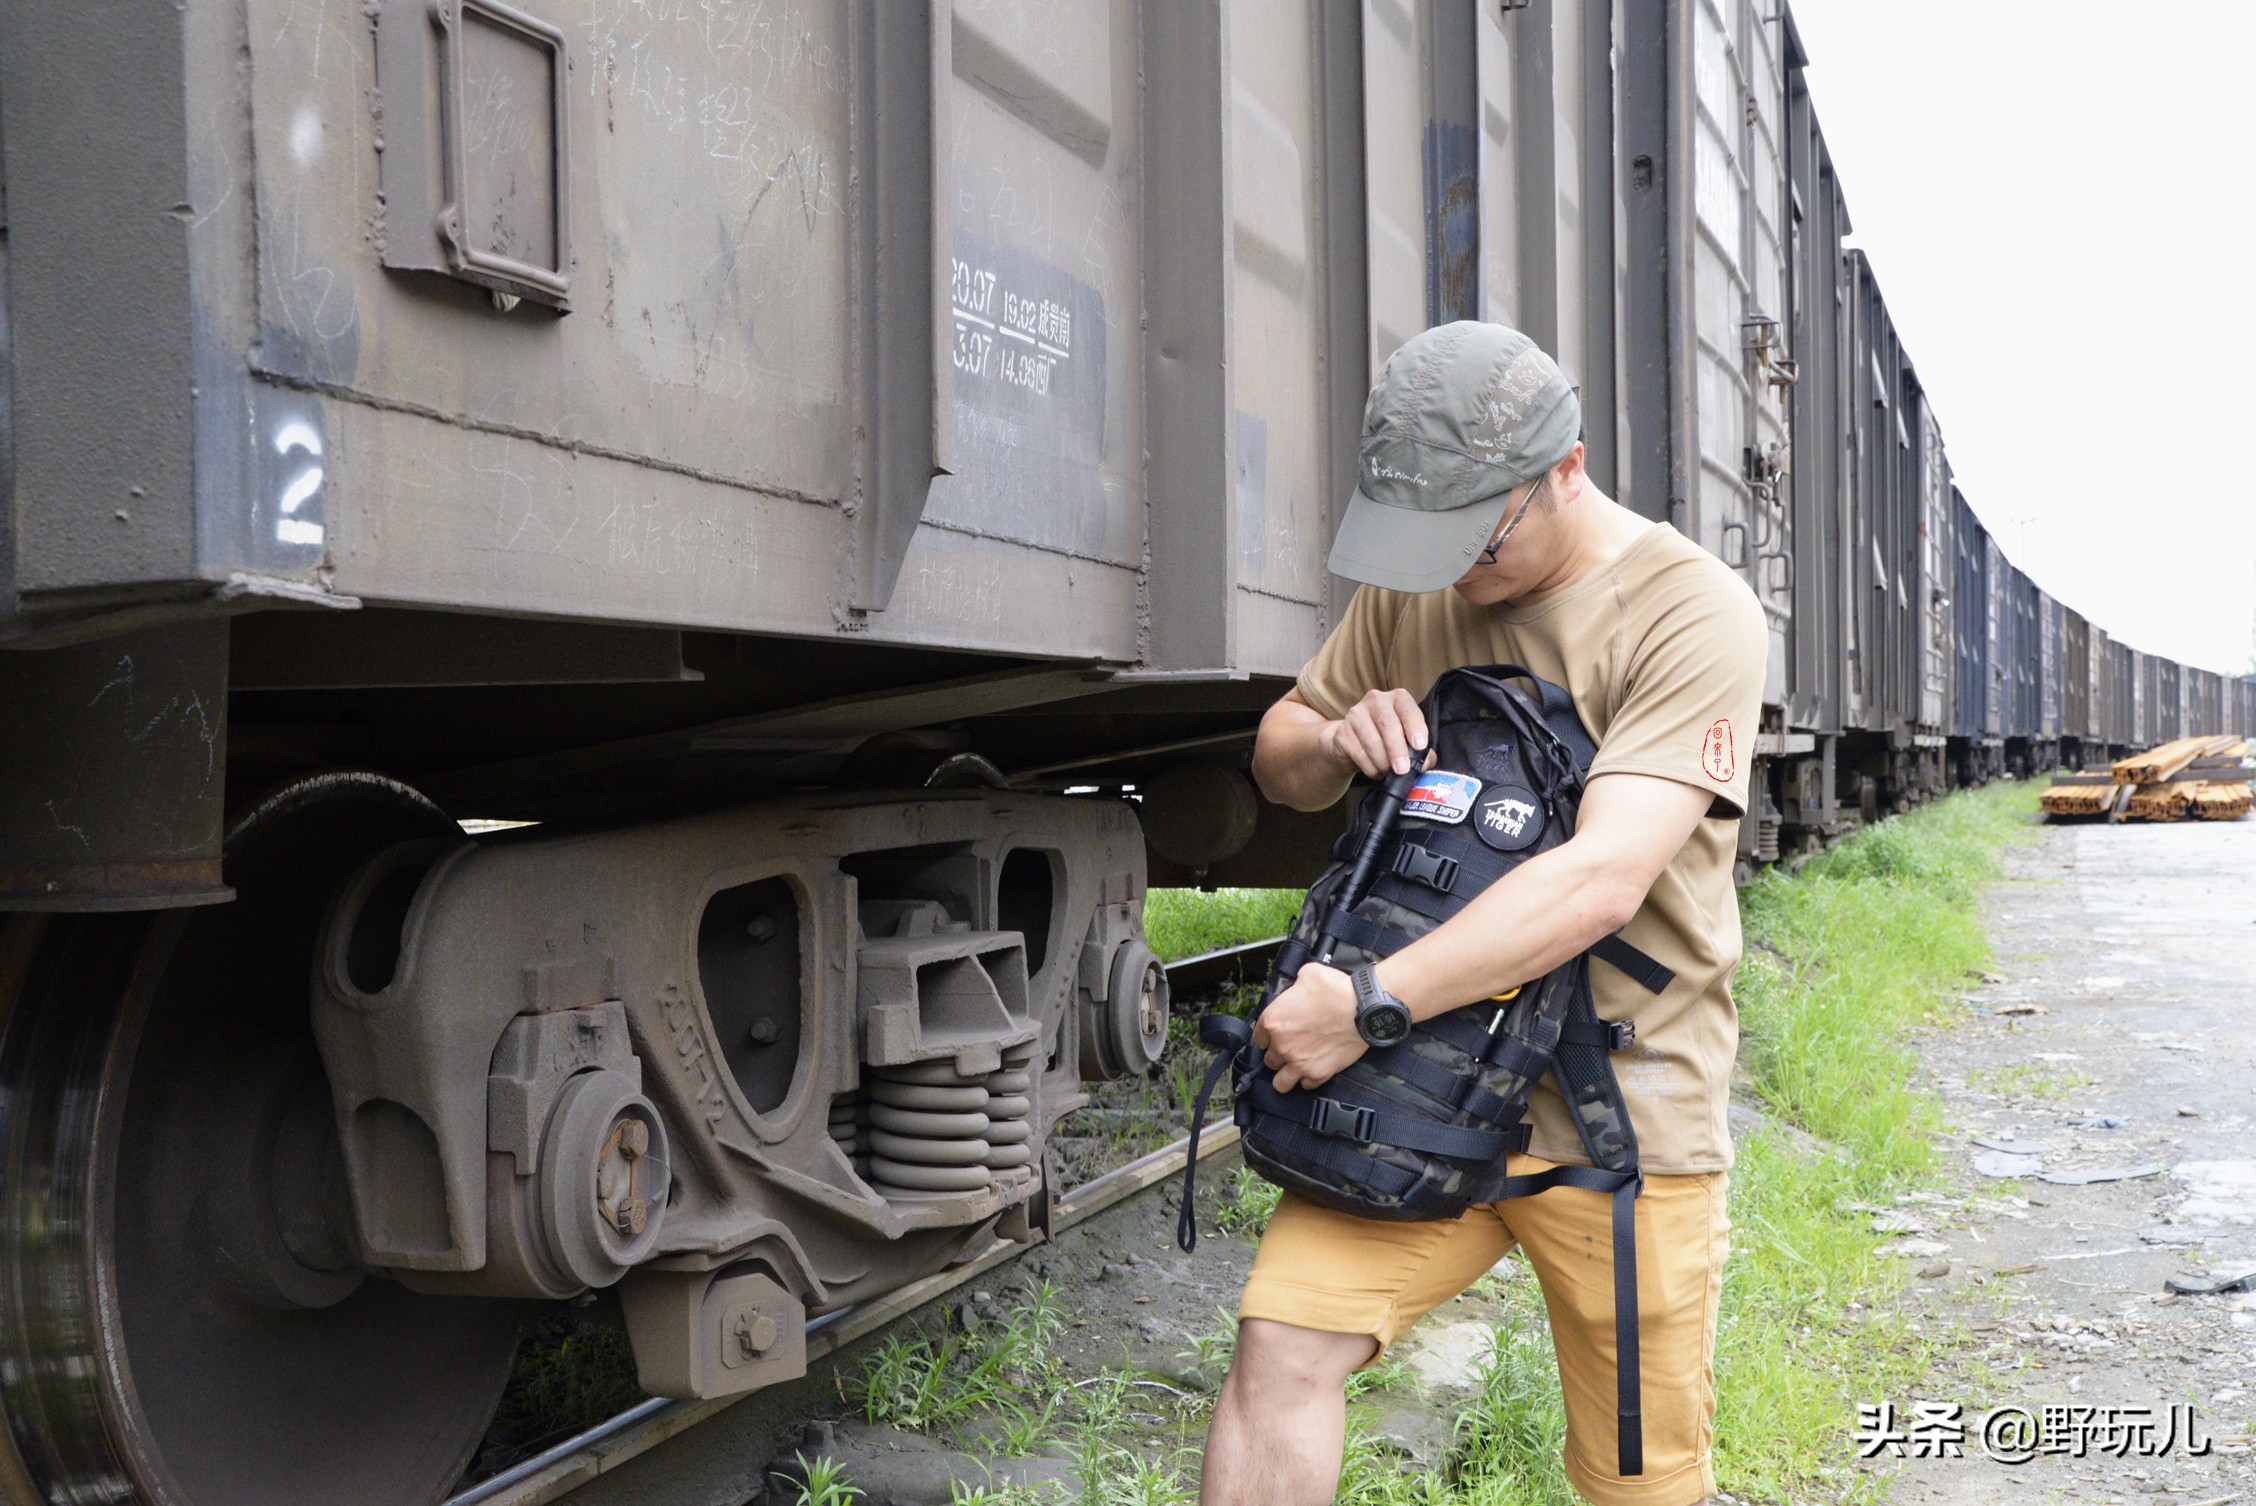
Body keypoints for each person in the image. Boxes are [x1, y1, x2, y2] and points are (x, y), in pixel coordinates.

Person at [1197, 321, 1767, 1506]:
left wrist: (1362, 1004)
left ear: (1566, 468)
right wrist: (1332, 738)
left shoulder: (1690, 612)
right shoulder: (1422, 588)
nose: (1454, 570)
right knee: (1280, 1353)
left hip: (1619, 1116)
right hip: (1418, 1088)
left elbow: (1602, 878)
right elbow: (1278, 755)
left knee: (1640, 1480)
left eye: (1478, 535)